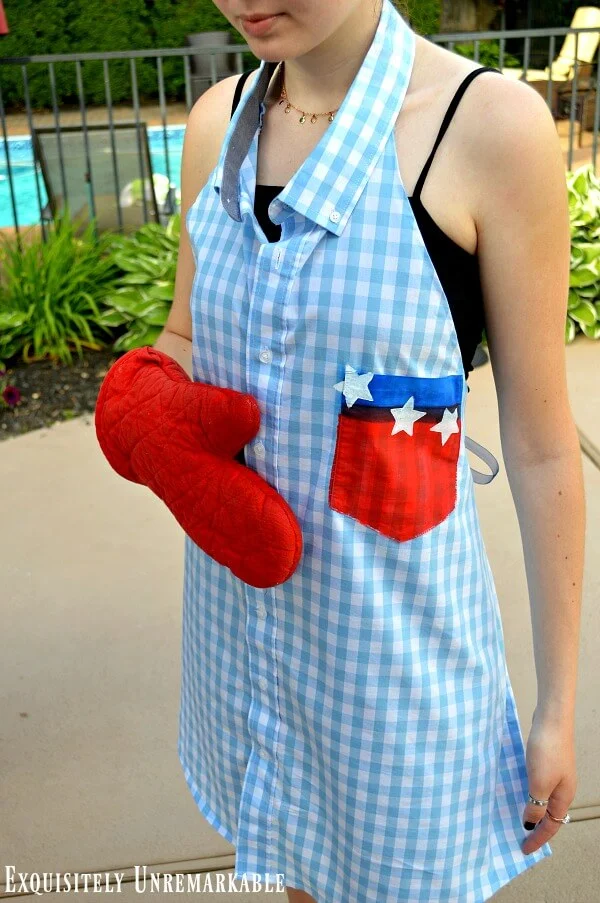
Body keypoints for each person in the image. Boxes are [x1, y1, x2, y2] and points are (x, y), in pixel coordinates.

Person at [154, 1, 583, 900]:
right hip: (241, 645)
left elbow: (543, 447)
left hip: (393, 676)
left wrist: (556, 702)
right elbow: (186, 340)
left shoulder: (487, 131)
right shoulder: (214, 126)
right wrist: (146, 407)